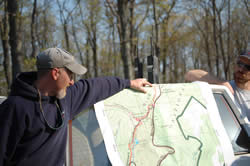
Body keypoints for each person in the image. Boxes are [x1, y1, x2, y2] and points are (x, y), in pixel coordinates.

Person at [0, 47, 152, 166]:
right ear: (55, 73)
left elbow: (97, 86)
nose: (72, 82)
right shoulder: (14, 108)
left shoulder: (66, 99)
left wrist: (129, 83)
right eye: (70, 75)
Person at [185, 50, 250, 121]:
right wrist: (221, 82)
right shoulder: (225, 88)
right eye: (239, 64)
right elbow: (189, 75)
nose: (240, 69)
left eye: (247, 67)